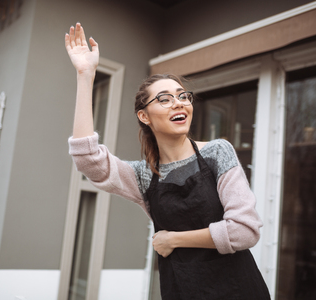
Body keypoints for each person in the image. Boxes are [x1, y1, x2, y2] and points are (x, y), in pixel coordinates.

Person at [65, 23, 271, 300]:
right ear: (144, 117)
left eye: (183, 96)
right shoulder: (144, 175)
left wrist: (173, 239)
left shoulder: (217, 153)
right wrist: (85, 75)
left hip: (239, 290)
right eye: (164, 99)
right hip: (182, 291)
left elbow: (245, 231)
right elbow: (88, 160)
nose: (178, 103)